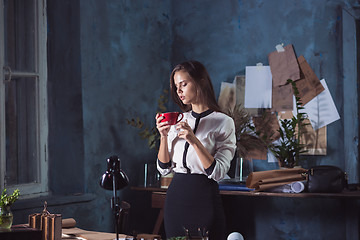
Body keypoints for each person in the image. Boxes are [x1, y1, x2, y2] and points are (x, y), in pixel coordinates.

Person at [155, 60, 237, 239]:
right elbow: (163, 168)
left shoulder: (224, 122)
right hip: (176, 197)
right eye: (176, 86)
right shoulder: (177, 120)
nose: (179, 91)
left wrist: (194, 141)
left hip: (204, 198)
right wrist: (163, 135)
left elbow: (218, 172)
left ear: (200, 81)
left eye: (184, 84)